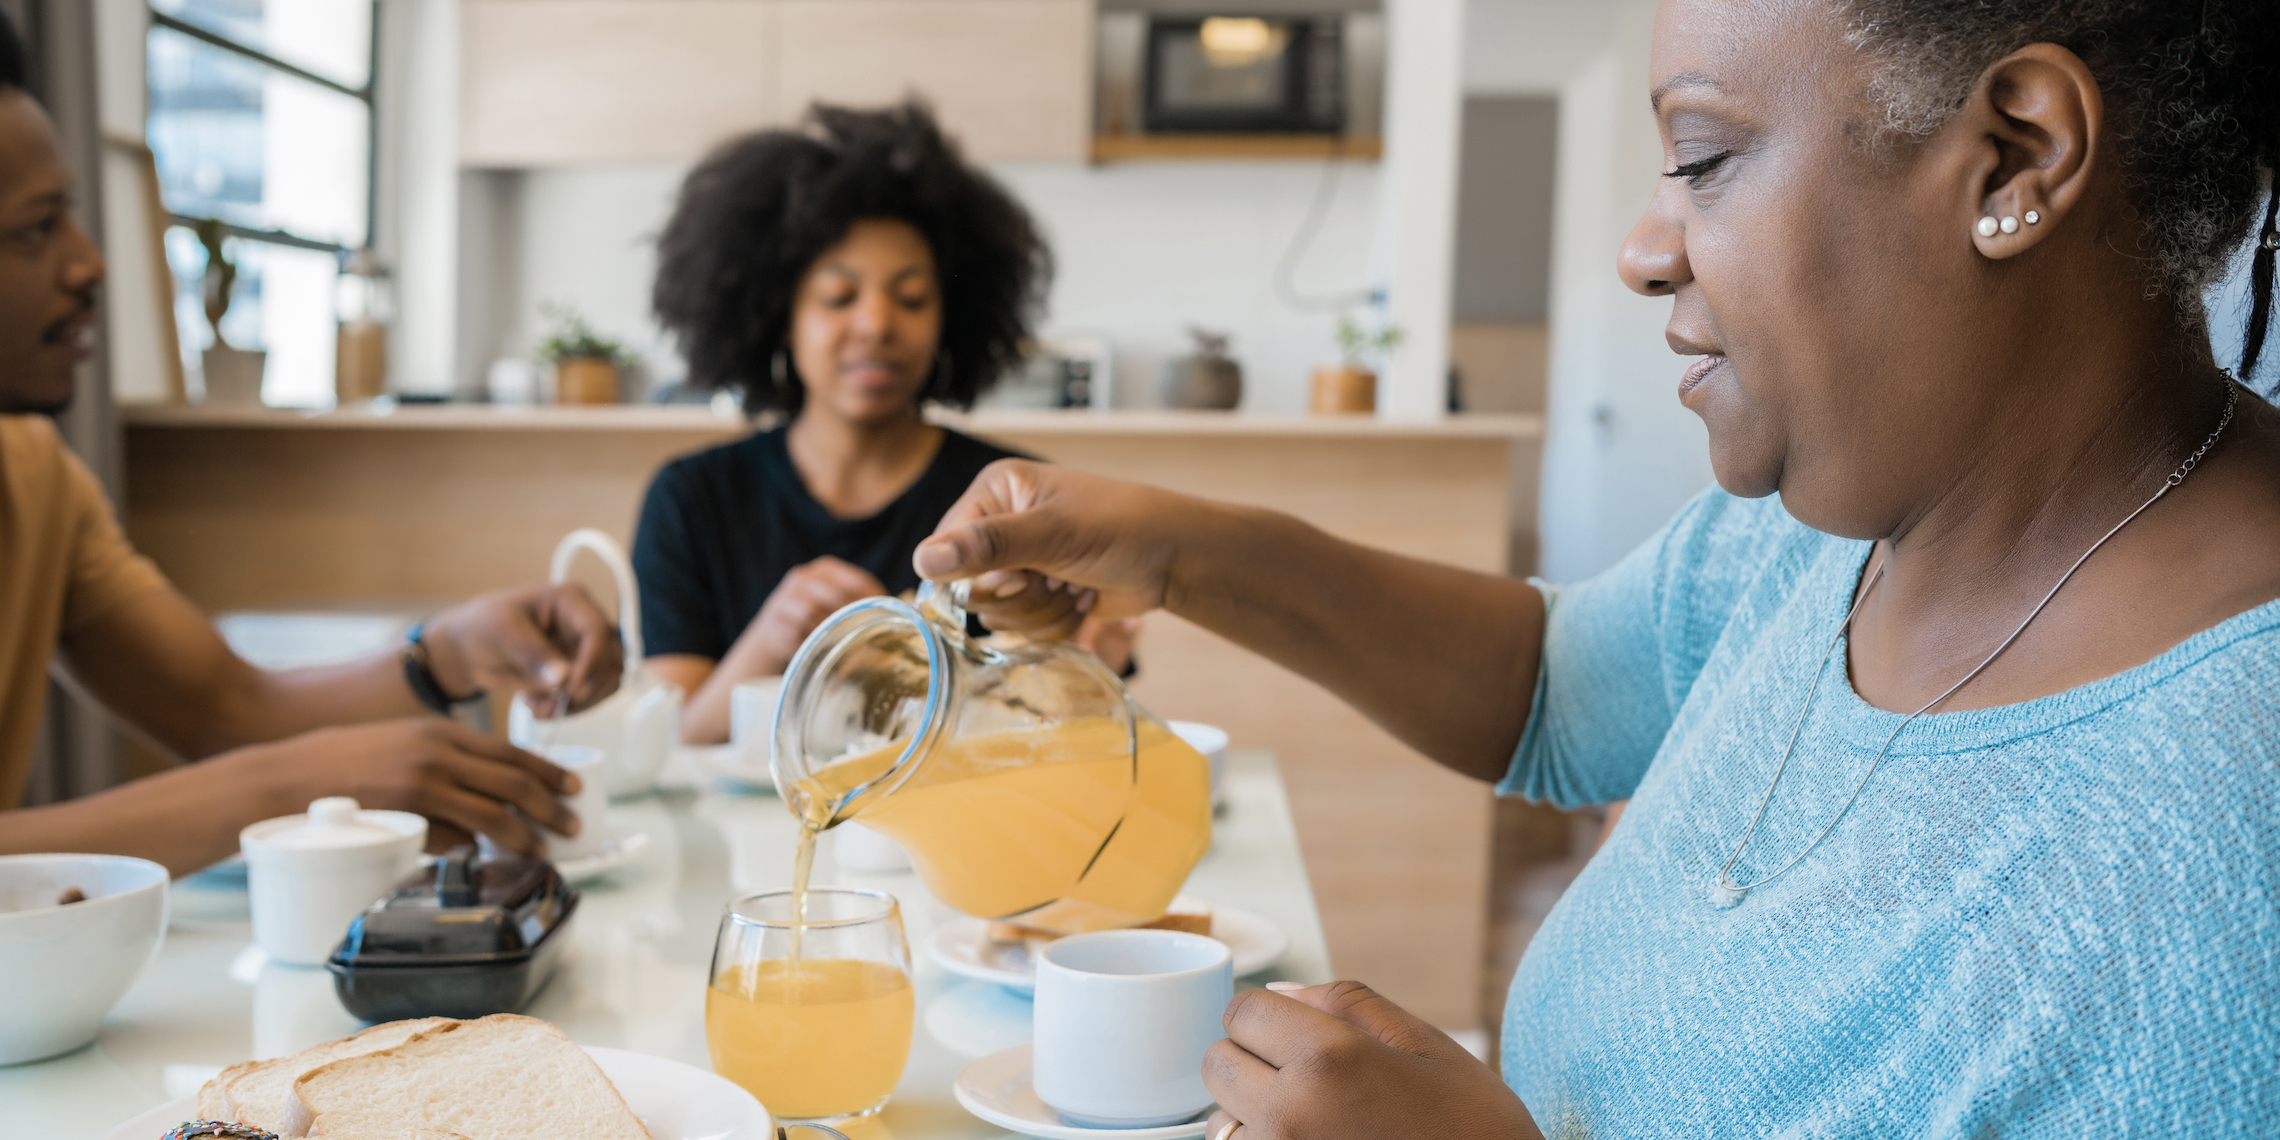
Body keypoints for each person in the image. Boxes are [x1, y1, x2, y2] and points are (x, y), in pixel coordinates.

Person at [912, 0, 2280, 1133]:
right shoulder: (1846, 525)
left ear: (2015, 157)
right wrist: (1171, 545)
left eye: (1702, 156)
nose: (1642, 248)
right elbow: (1555, 689)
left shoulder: (2232, 839)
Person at [0, 13, 621, 877]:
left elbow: (227, 706)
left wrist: (450, 651)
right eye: (33, 230)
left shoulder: (36, 480)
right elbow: (261, 758)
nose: (89, 264)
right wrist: (281, 788)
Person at [636, 101, 1128, 744]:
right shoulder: (691, 498)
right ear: (779, 316)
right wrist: (775, 642)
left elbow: (1069, 730)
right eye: (839, 297)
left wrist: (1076, 640)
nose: (875, 324)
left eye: (912, 298)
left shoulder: (1013, 498)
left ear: (948, 319)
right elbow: (674, 745)